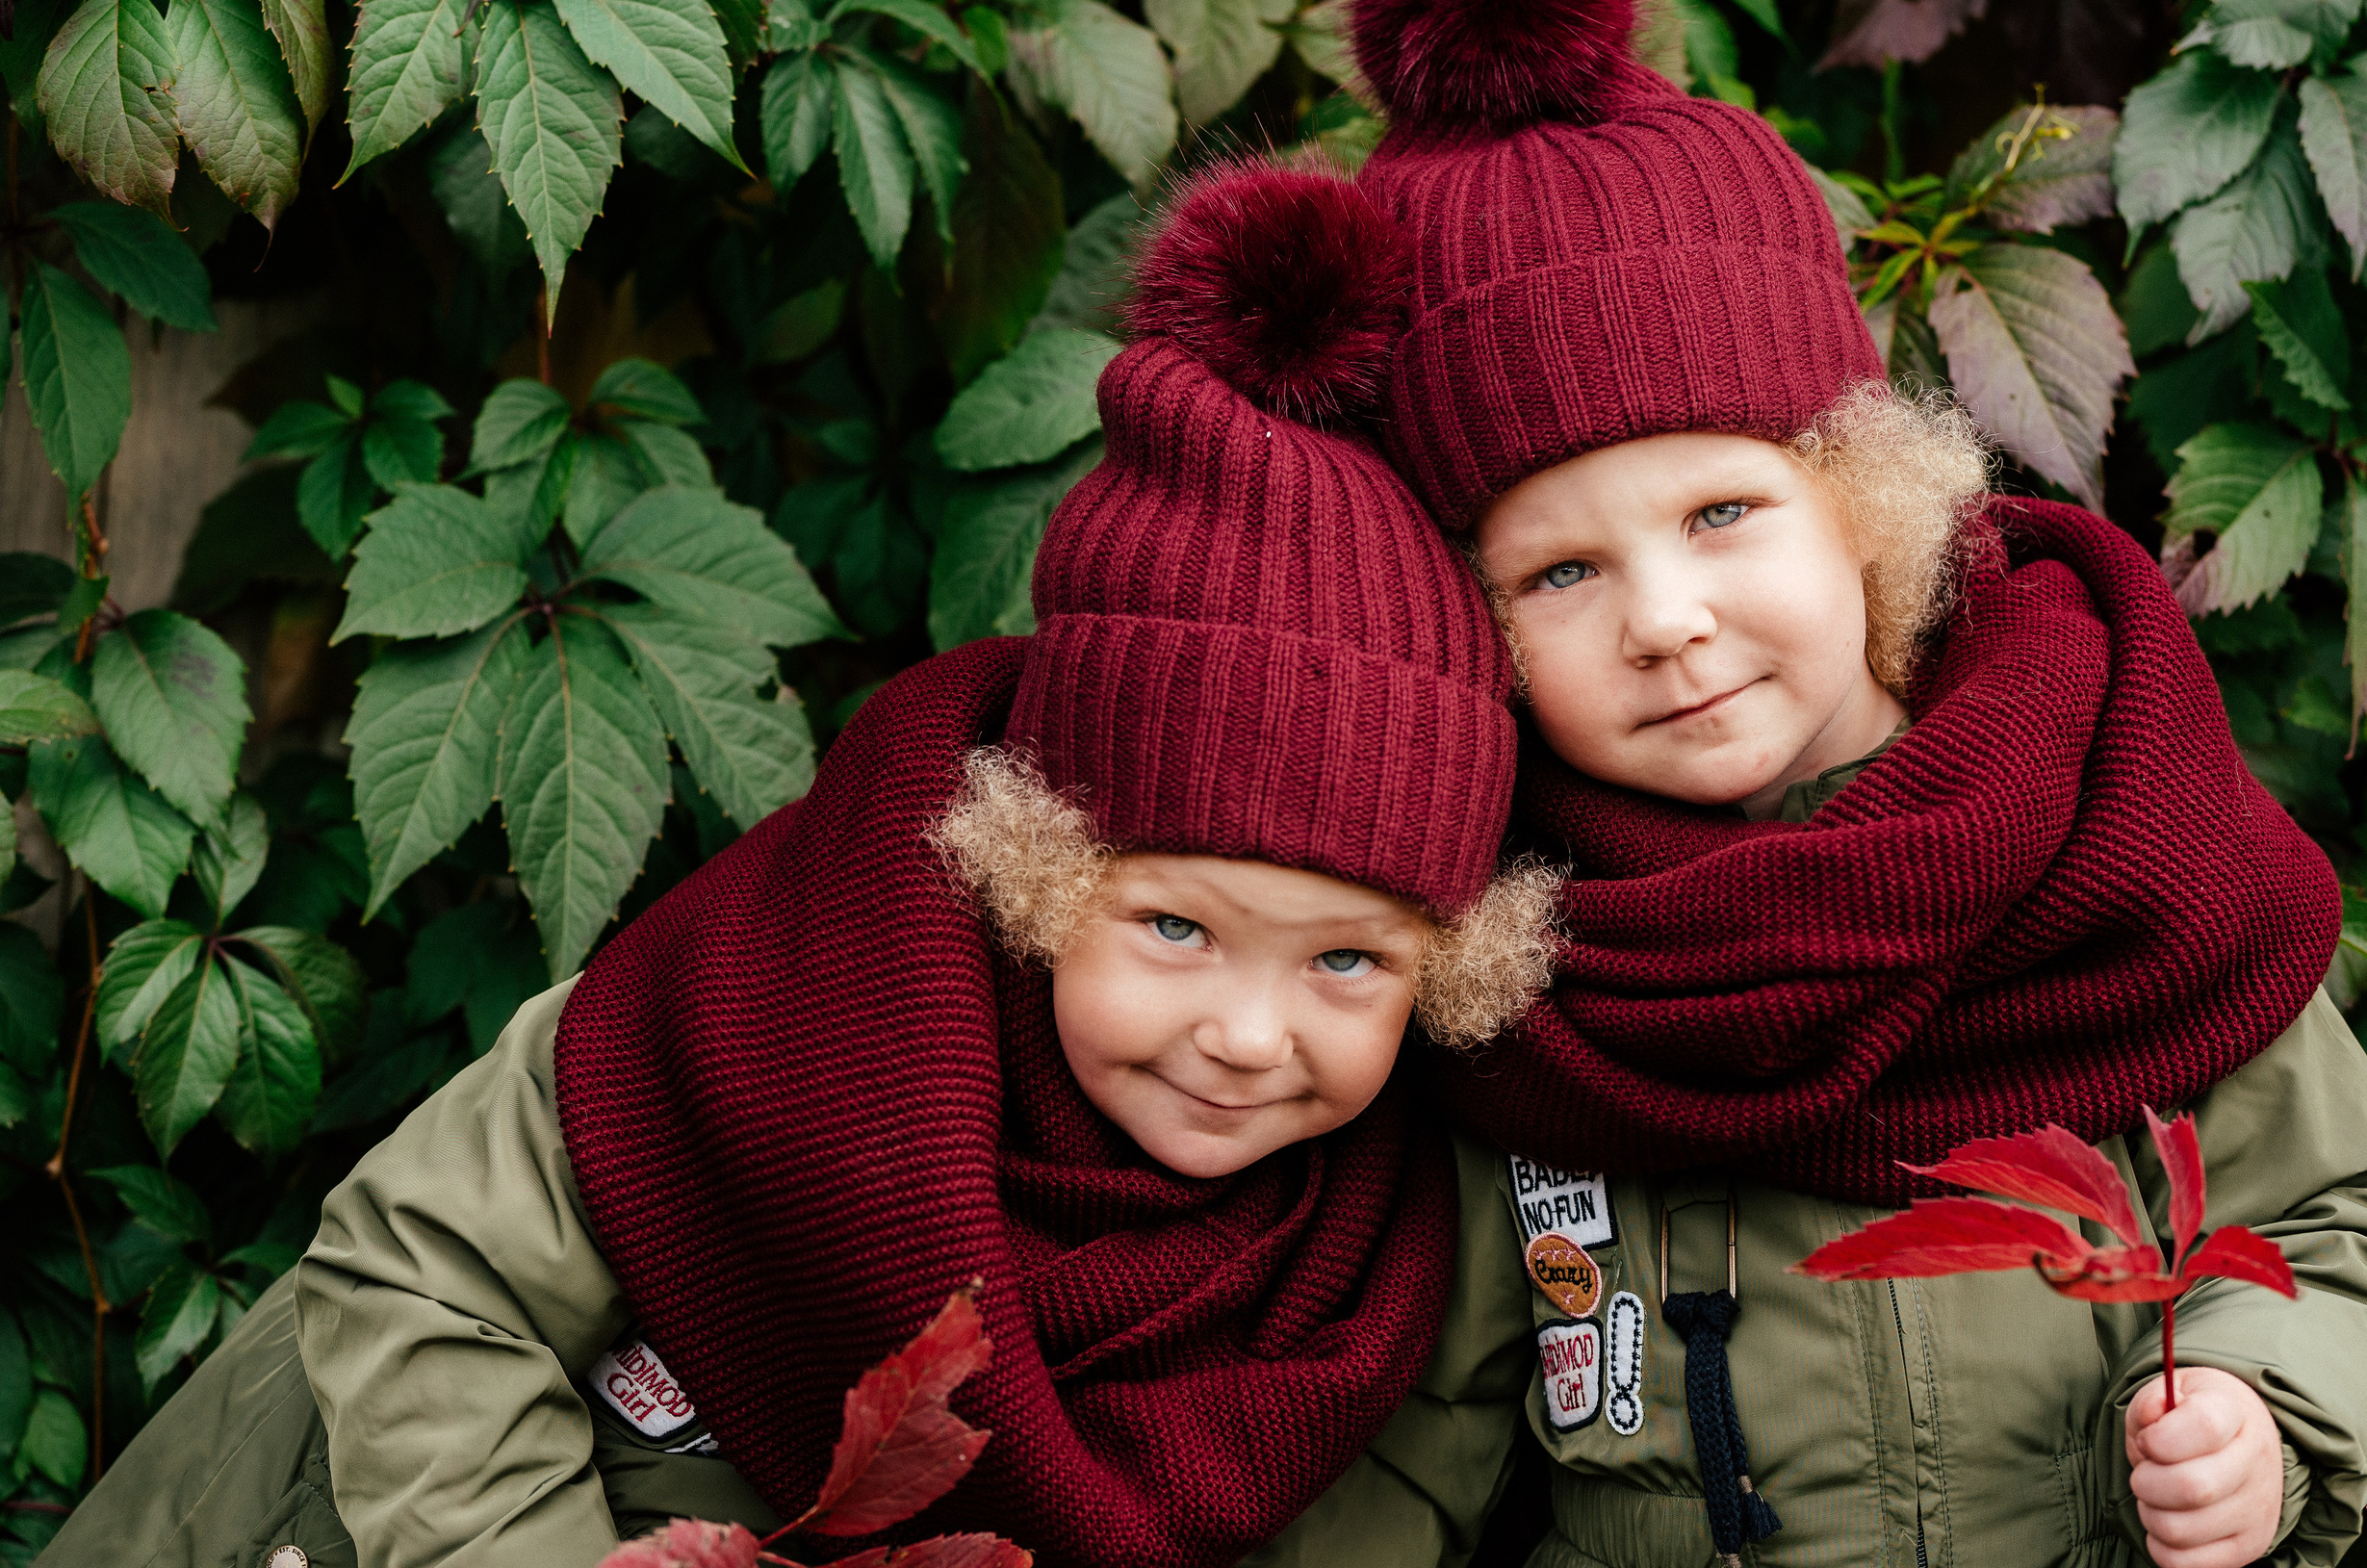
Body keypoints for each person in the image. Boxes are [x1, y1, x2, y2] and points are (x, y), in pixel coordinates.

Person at [35, 162, 1557, 1568]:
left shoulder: (1384, 1253)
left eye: (1347, 959)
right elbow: (427, 1271)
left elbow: (1384, 1519)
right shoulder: (778, 1011)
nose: (1248, 1033)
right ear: (1033, 866)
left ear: (1451, 965)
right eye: (1174, 927)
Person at [1337, 0, 2367, 1565]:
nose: (1665, 619)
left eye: (1723, 512)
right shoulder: (1514, 968)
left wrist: (2263, 1404)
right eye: (1558, 573)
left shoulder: (2112, 836)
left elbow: (2361, 1213)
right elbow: (1409, 1435)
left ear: (1864, 495)